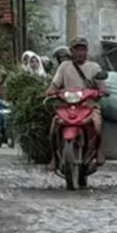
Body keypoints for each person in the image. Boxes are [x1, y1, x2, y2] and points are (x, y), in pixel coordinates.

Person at [47, 37, 106, 170]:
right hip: (67, 106)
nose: (80, 52)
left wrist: (100, 93)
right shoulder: (64, 67)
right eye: (76, 49)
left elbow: (102, 88)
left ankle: (98, 151)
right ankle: (54, 158)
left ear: (87, 51)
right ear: (71, 51)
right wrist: (50, 92)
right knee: (53, 126)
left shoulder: (94, 67)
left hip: (89, 105)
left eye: (82, 49)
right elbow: (54, 85)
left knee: (97, 124)